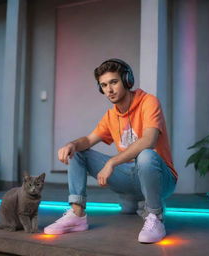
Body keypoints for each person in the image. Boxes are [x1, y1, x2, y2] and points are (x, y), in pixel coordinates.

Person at [44, 58, 178, 243]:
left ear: (126, 80)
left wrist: (112, 162)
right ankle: (77, 215)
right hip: (129, 177)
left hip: (162, 179)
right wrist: (72, 144)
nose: (109, 89)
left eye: (114, 82)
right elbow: (89, 140)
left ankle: (155, 216)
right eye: (104, 85)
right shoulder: (111, 116)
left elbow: (149, 140)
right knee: (78, 152)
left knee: (146, 155)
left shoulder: (148, 102)